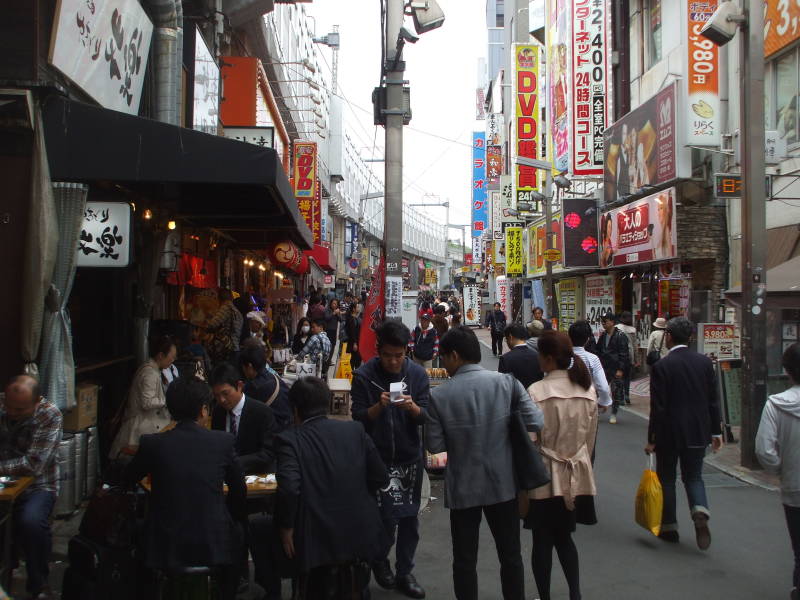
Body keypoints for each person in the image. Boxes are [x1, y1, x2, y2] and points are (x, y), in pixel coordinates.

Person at [426, 326, 543, 600]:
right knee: (511, 555)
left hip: (463, 487)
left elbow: (435, 447)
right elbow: (536, 421)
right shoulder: (507, 383)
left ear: (454, 356)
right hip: (503, 484)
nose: (442, 363)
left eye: (443, 357)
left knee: (465, 559)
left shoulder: (439, 396)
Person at [266, 377, 389, 598]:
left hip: (315, 540)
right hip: (359, 533)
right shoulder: (355, 431)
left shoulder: (289, 439)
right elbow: (380, 477)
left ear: (295, 409)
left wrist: (286, 527)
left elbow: (289, 489)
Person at [124, 378, 245, 600]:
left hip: (165, 544)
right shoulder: (222, 442)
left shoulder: (153, 443)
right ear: (203, 410)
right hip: (213, 541)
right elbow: (239, 490)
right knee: (239, 535)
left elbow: (127, 479)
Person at [351, 321, 429, 599]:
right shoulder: (363, 376)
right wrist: (378, 406)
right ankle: (379, 559)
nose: (394, 361)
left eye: (399, 355)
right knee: (382, 518)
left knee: (409, 519)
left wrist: (412, 407)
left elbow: (426, 417)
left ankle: (405, 571)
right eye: (388, 356)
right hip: (376, 459)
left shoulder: (418, 374)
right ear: (378, 351)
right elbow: (357, 417)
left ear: (406, 351)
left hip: (409, 457)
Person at [525, 331, 598, 600]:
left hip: (544, 473)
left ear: (547, 358)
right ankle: (575, 594)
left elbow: (530, 441)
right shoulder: (586, 389)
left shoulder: (536, 391)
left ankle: (544, 596)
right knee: (565, 537)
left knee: (541, 541)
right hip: (575, 473)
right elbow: (589, 441)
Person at [645, 316, 723, 549]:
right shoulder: (704, 363)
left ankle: (669, 527)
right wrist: (716, 431)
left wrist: (652, 438)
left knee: (667, 477)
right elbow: (713, 400)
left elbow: (658, 407)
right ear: (690, 337)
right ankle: (699, 509)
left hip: (670, 431)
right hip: (698, 429)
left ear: (668, 336)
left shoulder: (662, 366)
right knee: (694, 475)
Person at [0, 376, 62, 600]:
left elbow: (34, 464)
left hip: (38, 485)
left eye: (19, 409)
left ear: (36, 402)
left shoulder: (49, 414)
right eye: (8, 405)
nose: (11, 412)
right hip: (4, 482)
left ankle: (39, 584)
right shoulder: (3, 405)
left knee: (31, 522)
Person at [756, 343, 800, 599]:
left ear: (787, 370)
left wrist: (781, 467)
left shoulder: (776, 404)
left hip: (794, 485)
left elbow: (764, 450)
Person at [109, 336, 176, 459]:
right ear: (161, 355)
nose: (172, 360)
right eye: (171, 357)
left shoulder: (154, 370)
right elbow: (147, 402)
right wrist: (167, 400)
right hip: (139, 427)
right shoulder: (149, 373)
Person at [210, 363, 278, 474]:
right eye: (216, 396)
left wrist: (234, 463)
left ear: (240, 386)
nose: (221, 400)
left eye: (225, 393)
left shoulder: (262, 412)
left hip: (255, 475)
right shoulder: (218, 412)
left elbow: (268, 453)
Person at [239, 345, 291, 431]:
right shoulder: (274, 376)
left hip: (274, 433)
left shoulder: (253, 387)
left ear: (249, 366)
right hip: (288, 426)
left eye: (243, 367)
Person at [568, 321, 612, 411]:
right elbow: (603, 387)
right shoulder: (592, 359)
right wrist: (604, 401)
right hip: (586, 402)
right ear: (587, 339)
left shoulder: (560, 358)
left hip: (564, 402)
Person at [596, 313, 630, 424]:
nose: (603, 323)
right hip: (604, 367)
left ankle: (614, 413)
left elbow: (624, 354)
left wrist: (620, 369)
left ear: (612, 322)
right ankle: (597, 410)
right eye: (602, 321)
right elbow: (598, 351)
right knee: (600, 389)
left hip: (615, 368)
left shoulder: (621, 336)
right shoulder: (603, 336)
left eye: (605, 321)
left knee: (616, 392)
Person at [498, 323, 544, 390]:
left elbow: (503, 385)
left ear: (510, 337)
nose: (506, 342)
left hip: (514, 398)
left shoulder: (505, 358)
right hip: (535, 396)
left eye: (506, 339)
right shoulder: (537, 356)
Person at [206, 289, 244, 364]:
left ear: (219, 298)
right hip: (234, 347)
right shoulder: (236, 311)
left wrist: (205, 322)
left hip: (227, 348)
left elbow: (212, 324)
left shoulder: (226, 308)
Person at [616, 311, 638, 406]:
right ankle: (627, 395)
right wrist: (636, 360)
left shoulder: (616, 328)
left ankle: (621, 398)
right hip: (630, 355)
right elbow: (635, 346)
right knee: (627, 377)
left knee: (620, 376)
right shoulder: (633, 330)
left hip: (619, 355)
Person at [345, 301, 363, 369]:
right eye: (357, 307)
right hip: (354, 342)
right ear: (353, 309)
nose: (359, 308)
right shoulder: (352, 319)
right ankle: (353, 373)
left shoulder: (356, 317)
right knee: (355, 359)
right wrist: (354, 343)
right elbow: (352, 332)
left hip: (357, 341)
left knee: (356, 358)